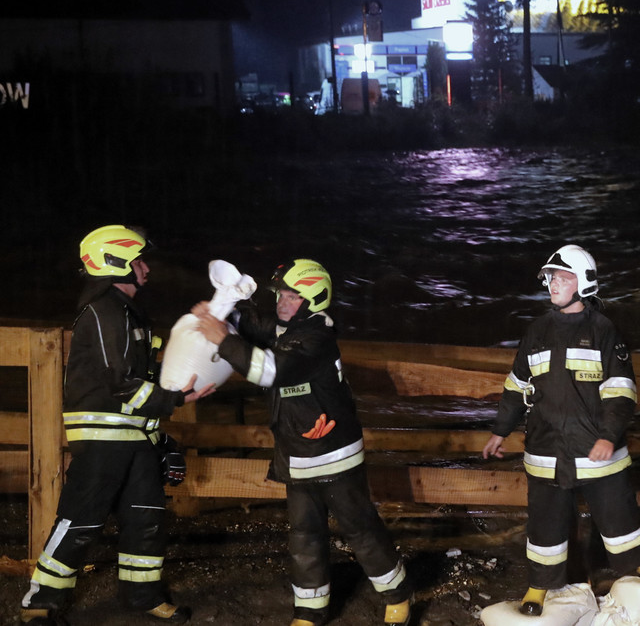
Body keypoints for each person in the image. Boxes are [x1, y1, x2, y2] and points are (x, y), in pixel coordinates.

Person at [192, 259, 411, 626]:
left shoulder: (316, 339)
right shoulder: (286, 329)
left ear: (313, 300)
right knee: (304, 537)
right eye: (280, 293)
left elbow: (270, 371)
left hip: (335, 457)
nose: (281, 300)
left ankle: (398, 596)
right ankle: (310, 609)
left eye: (292, 295)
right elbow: (254, 324)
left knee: (361, 530)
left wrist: (223, 340)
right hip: (296, 457)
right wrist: (220, 311)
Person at [20, 225, 214, 626]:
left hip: (137, 438)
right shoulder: (104, 310)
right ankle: (39, 603)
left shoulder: (126, 312)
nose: (146, 268)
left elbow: (147, 371)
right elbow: (121, 382)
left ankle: (143, 596)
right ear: (116, 262)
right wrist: (175, 399)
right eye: (139, 259)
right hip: (103, 441)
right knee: (80, 521)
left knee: (145, 521)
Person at [482, 244, 640, 616]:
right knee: (545, 521)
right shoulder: (536, 331)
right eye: (551, 278)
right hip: (546, 447)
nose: (553, 285)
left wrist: (608, 435)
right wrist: (500, 430)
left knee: (618, 512)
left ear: (583, 284)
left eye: (562, 279)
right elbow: (517, 385)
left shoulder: (604, 331)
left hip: (596, 448)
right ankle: (539, 586)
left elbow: (621, 391)